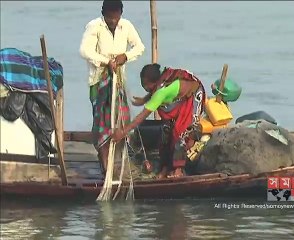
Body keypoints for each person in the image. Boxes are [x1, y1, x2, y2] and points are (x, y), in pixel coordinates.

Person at [79, 0, 145, 173]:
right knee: (102, 124)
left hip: (119, 82)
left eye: (116, 17)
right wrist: (106, 61)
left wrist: (126, 56)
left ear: (121, 13)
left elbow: (139, 47)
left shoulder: (126, 26)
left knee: (121, 121)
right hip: (99, 82)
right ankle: (104, 165)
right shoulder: (95, 26)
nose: (114, 21)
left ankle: (118, 163)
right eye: (110, 18)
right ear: (104, 14)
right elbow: (85, 51)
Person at [111, 64, 206, 178]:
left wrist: (123, 132)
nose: (143, 86)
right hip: (179, 97)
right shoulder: (159, 85)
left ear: (150, 83)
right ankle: (165, 167)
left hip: (193, 96)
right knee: (166, 133)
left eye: (144, 84)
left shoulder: (160, 93)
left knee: (181, 134)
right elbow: (156, 90)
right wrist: (145, 99)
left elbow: (142, 116)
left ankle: (178, 169)